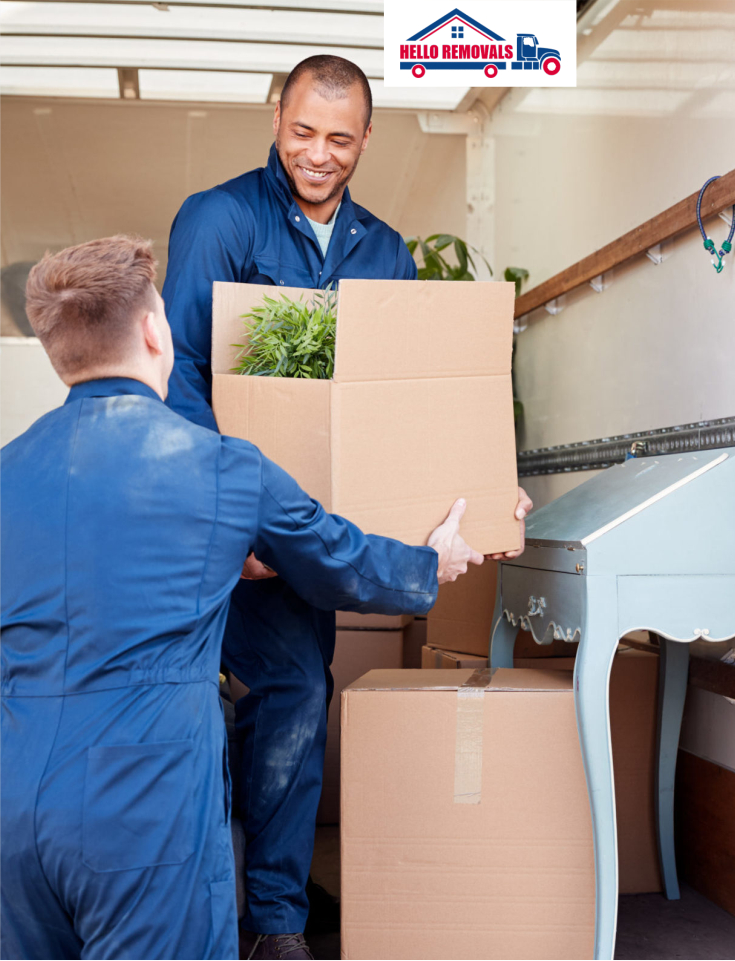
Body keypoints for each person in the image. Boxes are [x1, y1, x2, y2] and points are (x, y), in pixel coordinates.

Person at [0, 235, 483, 961]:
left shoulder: (7, 470)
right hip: (142, 805)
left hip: (12, 799)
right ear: (155, 332)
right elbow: (339, 562)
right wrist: (430, 561)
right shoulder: (220, 466)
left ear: (56, 350)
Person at [162, 54, 532, 958]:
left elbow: (397, 402)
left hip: (312, 533)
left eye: (338, 138)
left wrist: (483, 481)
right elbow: (178, 377)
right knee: (193, 701)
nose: (316, 154)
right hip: (217, 524)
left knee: (295, 691)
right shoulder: (219, 219)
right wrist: (232, 521)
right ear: (274, 120)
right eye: (301, 132)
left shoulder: (385, 252)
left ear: (366, 139)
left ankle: (275, 922)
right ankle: (209, 909)